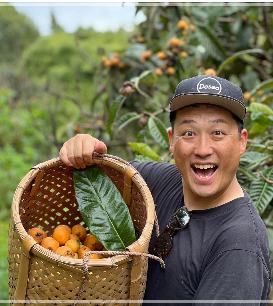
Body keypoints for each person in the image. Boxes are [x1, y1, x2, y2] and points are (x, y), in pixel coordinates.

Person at [59, 75, 271, 305]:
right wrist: (82, 150)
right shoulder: (159, 180)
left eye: (217, 132)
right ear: (171, 141)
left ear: (242, 142)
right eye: (189, 133)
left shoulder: (239, 247)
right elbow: (93, 181)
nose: (202, 149)